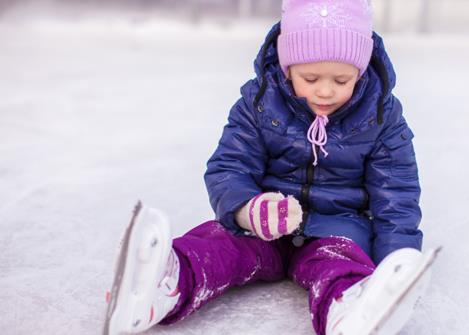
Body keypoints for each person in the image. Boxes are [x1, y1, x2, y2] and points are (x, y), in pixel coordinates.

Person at [103, 1, 439, 334]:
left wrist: (396, 264)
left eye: (341, 80)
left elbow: (396, 193)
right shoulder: (259, 104)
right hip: (266, 224)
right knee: (219, 243)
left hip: (338, 227)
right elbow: (229, 165)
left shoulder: (381, 117)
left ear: (361, 72)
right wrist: (246, 210)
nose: (324, 90)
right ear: (286, 66)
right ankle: (166, 282)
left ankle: (349, 308)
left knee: (341, 263)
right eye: (310, 78)